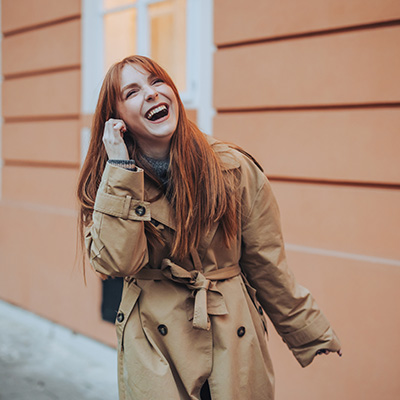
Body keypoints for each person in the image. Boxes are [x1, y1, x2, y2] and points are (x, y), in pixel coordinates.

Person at [77, 55, 341, 400]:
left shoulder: (232, 168)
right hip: (156, 345)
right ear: (117, 119)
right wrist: (123, 170)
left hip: (231, 332)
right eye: (132, 92)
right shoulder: (108, 182)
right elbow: (116, 262)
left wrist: (308, 331)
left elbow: (266, 262)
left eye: (157, 82)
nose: (152, 94)